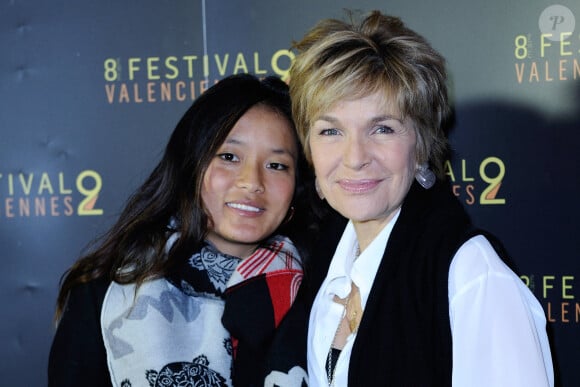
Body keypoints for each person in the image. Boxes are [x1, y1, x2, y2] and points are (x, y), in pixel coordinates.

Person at [285, 10, 554, 386]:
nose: (355, 157)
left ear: (422, 144)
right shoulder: (325, 256)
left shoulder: (472, 274)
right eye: (331, 131)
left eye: (382, 128)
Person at [48, 73, 314, 387]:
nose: (252, 182)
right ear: (192, 165)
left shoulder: (323, 292)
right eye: (228, 157)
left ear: (297, 184)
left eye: (277, 165)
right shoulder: (106, 293)